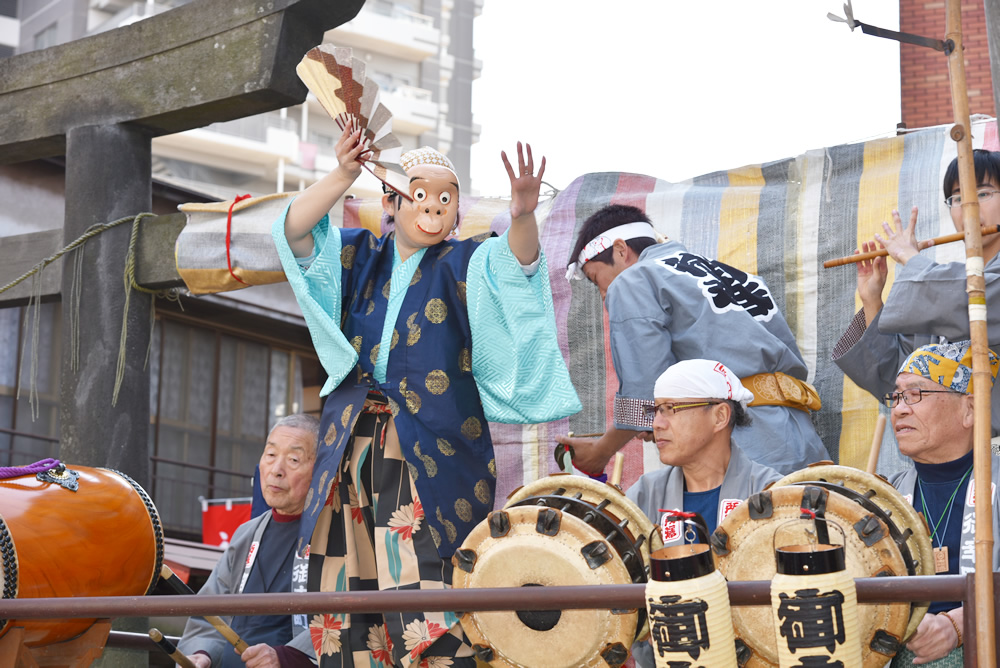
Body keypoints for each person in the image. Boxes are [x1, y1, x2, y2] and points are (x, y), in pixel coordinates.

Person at [270, 127, 580, 666]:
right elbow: (295, 231)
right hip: (350, 445)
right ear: (391, 202)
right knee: (346, 593)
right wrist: (344, 172)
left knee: (429, 596)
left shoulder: (464, 264)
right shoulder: (357, 257)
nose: (434, 208)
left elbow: (518, 265)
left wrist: (524, 215)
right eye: (421, 194)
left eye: (446, 198)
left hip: (430, 450)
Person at [557, 204, 826, 476]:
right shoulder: (737, 276)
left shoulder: (633, 280)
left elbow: (644, 392)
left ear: (620, 250)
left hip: (742, 443)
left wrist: (600, 452)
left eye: (596, 279)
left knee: (745, 519)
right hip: (800, 434)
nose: (604, 294)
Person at [625, 359, 782, 668]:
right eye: (655, 411)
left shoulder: (770, 493)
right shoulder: (642, 496)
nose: (657, 423)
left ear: (719, 416)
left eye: (671, 409)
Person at [834, 149, 1000, 436]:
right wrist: (872, 298)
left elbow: (975, 300)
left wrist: (910, 259)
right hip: (954, 457)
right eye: (957, 199)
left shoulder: (945, 288)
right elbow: (898, 379)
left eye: (982, 193)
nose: (967, 208)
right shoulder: (941, 286)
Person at [882, 341, 1000, 666]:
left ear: (970, 409)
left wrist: (959, 624)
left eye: (916, 394)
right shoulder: (885, 493)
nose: (899, 409)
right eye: (896, 396)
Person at [177, 414, 320, 668]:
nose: (277, 470)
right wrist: (202, 654)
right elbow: (210, 613)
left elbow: (345, 618)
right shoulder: (247, 534)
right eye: (271, 455)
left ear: (320, 469)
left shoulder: (334, 535)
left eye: (294, 459)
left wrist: (286, 658)